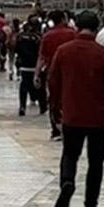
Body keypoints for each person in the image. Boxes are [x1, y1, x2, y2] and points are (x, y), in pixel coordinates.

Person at [48, 11, 104, 207]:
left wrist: (54, 110)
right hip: (97, 118)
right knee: (96, 162)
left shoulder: (63, 52)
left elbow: (53, 83)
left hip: (71, 115)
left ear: (77, 27)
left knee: (70, 155)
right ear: (97, 27)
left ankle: (67, 182)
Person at [38, 10, 77, 140]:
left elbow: (42, 57)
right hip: (72, 72)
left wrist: (37, 73)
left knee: (54, 100)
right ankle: (70, 126)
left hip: (52, 72)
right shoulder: (73, 33)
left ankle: (56, 129)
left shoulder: (47, 36)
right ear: (63, 19)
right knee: (71, 99)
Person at [15, 18, 46, 116]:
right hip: (36, 65)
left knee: (24, 85)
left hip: (24, 64)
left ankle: (22, 106)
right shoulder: (39, 37)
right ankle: (42, 107)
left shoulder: (20, 37)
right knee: (40, 86)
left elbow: (16, 49)